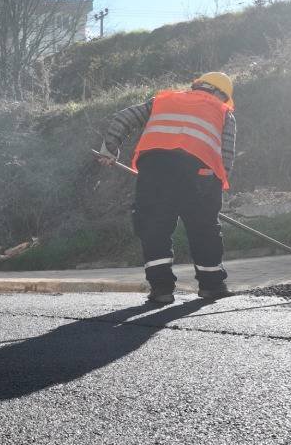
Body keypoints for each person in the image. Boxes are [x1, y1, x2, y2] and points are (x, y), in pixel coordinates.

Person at [97, 72, 237, 304]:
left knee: (154, 227)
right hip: (200, 172)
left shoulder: (163, 100)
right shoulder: (224, 112)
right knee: (204, 229)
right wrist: (215, 189)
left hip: (156, 170)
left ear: (197, 86)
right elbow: (227, 155)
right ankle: (212, 286)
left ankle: (161, 289)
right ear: (220, 94)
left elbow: (123, 117)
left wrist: (110, 149)